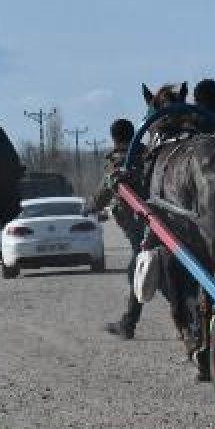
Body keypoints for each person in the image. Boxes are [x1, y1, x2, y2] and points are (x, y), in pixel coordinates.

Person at [92, 119, 148, 340]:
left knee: (138, 269)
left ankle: (129, 323)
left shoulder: (117, 161)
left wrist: (91, 206)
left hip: (137, 222)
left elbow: (104, 192)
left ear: (114, 138)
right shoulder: (150, 154)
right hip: (157, 217)